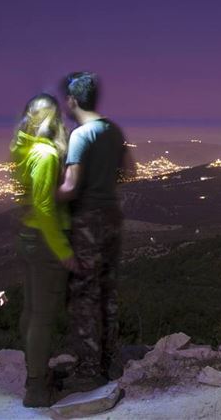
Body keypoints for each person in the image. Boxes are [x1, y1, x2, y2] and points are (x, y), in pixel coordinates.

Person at [57, 72, 135, 393]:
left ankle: (88, 370)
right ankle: (111, 360)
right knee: (108, 289)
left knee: (84, 294)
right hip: (112, 216)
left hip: (87, 219)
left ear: (72, 100)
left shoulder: (80, 135)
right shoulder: (113, 130)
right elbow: (129, 171)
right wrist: (106, 183)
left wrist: (46, 196)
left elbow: (71, 186)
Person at [10, 94, 78, 407]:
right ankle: (37, 387)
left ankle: (32, 374)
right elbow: (45, 206)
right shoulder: (46, 154)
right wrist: (63, 248)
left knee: (30, 310)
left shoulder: (22, 147)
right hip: (45, 240)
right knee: (44, 317)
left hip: (28, 236)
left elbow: (37, 200)